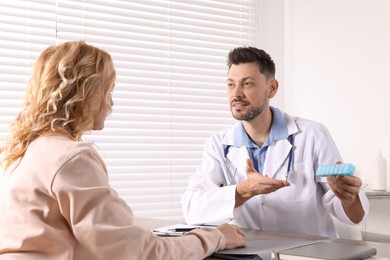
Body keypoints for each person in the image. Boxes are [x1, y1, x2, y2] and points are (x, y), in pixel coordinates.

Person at [0, 40, 245, 259]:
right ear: (87, 94)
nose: (111, 103)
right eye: (109, 90)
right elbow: (140, 254)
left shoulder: (20, 153)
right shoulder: (71, 158)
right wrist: (216, 238)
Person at [181, 46, 369, 238]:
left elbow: (354, 216)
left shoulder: (312, 135)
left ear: (271, 89)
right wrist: (243, 191)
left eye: (247, 84)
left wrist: (350, 198)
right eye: (231, 84)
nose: (236, 93)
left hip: (307, 254)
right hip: (249, 253)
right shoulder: (218, 145)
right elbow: (192, 208)